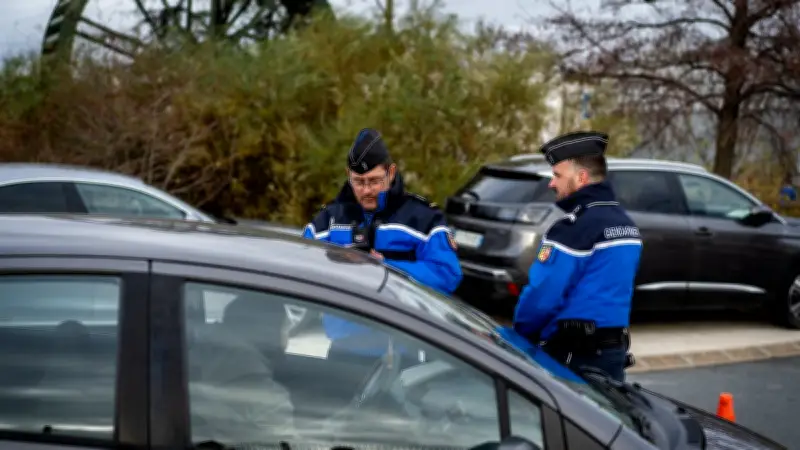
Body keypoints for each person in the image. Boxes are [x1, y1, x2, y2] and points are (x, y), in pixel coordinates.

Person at [302, 127, 462, 404]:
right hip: (344, 352)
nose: (366, 190)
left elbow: (447, 273)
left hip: (406, 351)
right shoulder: (328, 219)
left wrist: (386, 268)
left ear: (391, 172)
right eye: (358, 181)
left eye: (375, 181)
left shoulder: (422, 218)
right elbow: (299, 265)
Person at [512, 130, 642, 382]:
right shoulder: (628, 226)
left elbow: (543, 297)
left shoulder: (573, 230)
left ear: (581, 178)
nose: (551, 184)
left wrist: (520, 334)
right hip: (612, 355)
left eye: (557, 175)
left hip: (572, 358)